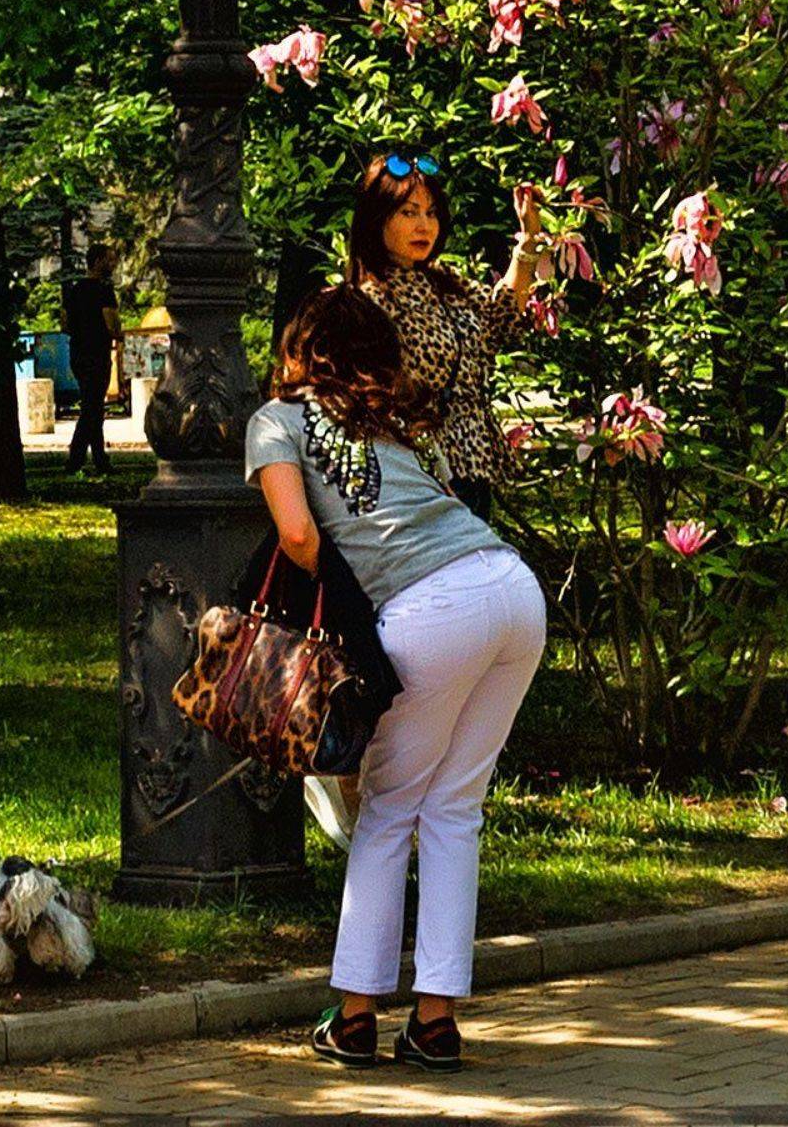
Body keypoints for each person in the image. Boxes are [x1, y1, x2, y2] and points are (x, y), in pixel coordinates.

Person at [245, 285, 546, 1073]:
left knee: (386, 811)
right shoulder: (402, 422)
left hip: (430, 608)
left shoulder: (277, 419)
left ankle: (354, 1018)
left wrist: (348, 595)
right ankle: (436, 1020)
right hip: (512, 589)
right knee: (453, 809)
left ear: (299, 347)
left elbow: (297, 532)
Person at [350, 151, 548, 523]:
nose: (423, 226)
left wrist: (529, 239)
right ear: (378, 219)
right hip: (422, 478)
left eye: (431, 213)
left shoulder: (445, 282)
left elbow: (500, 317)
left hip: (474, 467)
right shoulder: (369, 302)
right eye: (408, 213)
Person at [61, 244, 122, 477]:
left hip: (77, 354)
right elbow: (111, 323)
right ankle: (75, 460)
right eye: (109, 260)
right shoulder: (104, 290)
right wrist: (117, 334)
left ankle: (100, 459)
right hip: (98, 354)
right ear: (97, 262)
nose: (113, 264)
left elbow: (65, 324)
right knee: (91, 409)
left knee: (93, 406)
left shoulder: (73, 290)